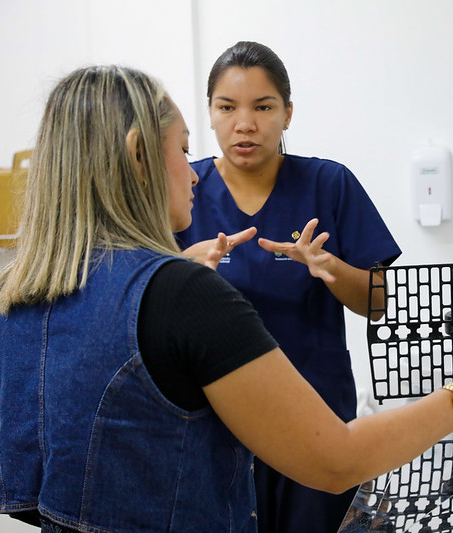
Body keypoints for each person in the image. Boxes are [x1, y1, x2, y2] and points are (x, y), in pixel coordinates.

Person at [0, 65, 453, 533]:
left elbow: (36, 479)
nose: (192, 174)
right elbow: (338, 459)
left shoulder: (13, 297)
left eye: (263, 107)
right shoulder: (182, 294)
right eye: (181, 148)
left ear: (286, 114)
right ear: (140, 155)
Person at [174, 41, 401, 533]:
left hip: (315, 420)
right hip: (213, 428)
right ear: (210, 114)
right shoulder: (181, 191)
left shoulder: (329, 184)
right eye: (227, 107)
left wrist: (329, 268)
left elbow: (381, 302)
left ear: (288, 113)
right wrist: (182, 271)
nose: (245, 123)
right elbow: (140, 300)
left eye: (263, 106)